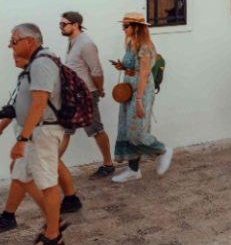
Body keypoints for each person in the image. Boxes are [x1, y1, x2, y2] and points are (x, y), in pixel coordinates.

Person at [0, 24, 69, 245]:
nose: (10, 46)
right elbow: (23, 104)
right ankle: (54, 221)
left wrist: (22, 139)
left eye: (14, 41)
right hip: (34, 133)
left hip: (41, 133)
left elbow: (40, 104)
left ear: (29, 41)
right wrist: (3, 129)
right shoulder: (35, 64)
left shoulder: (41, 64)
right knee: (21, 174)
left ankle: (53, 236)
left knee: (48, 185)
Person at [110, 12, 173, 183]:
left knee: (136, 132)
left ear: (136, 27)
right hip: (130, 89)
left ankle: (162, 150)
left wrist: (139, 100)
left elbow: (144, 75)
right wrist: (123, 67)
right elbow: (134, 69)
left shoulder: (145, 47)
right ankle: (133, 169)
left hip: (141, 92)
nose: (123, 29)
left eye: (126, 26)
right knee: (127, 128)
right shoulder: (131, 44)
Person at [59, 11, 114, 178]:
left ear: (75, 25)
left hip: (85, 95)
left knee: (96, 129)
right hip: (71, 94)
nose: (60, 27)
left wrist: (100, 88)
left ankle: (108, 164)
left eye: (64, 24)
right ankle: (50, 167)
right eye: (60, 24)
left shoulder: (86, 44)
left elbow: (96, 70)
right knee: (64, 130)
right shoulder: (73, 41)